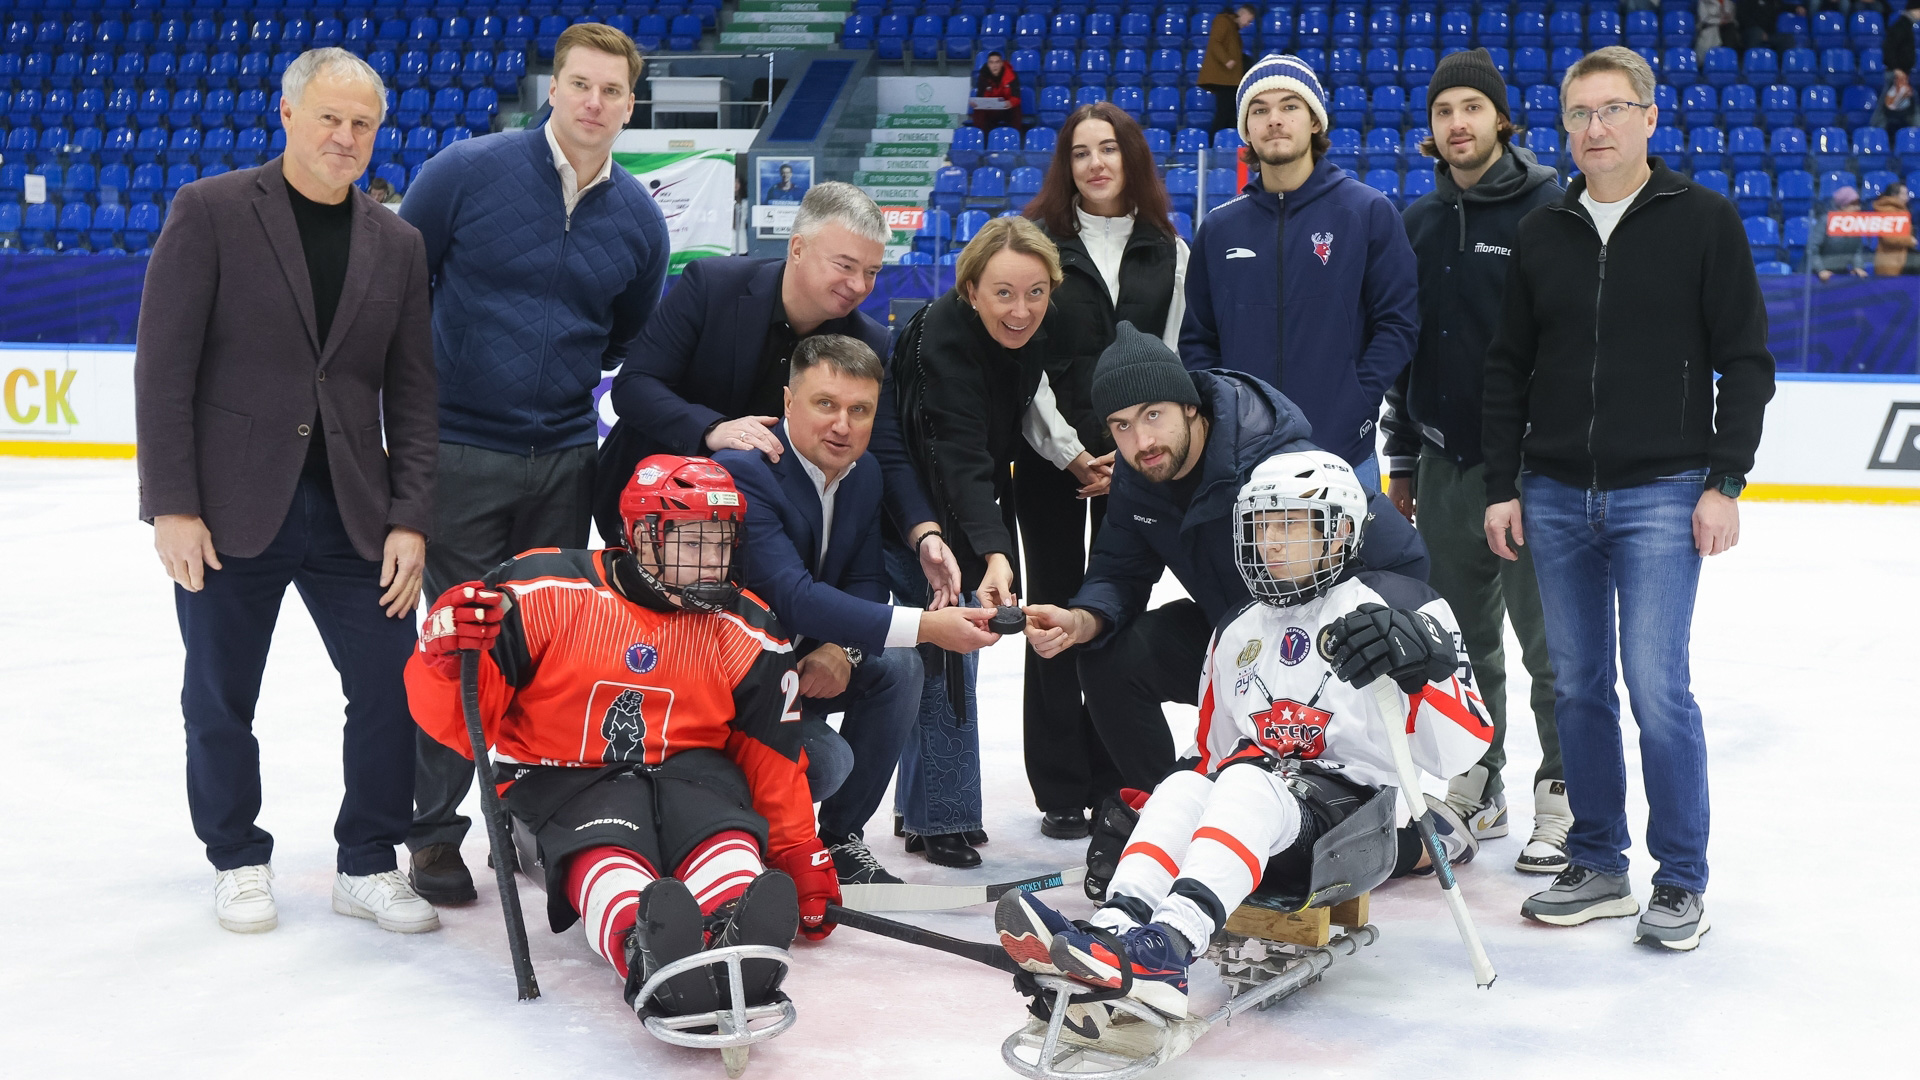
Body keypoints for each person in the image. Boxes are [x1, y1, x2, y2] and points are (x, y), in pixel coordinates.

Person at [997, 451, 1491, 1017]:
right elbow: (1210, 757)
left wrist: (1423, 671)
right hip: (1264, 819)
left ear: (1340, 533)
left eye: (1290, 525)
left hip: (1355, 824)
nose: (1271, 544)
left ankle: (1169, 948)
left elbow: (1460, 751)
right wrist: (1149, 819)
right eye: (1261, 526)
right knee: (1183, 790)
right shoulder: (1237, 627)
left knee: (1247, 783)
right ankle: (1111, 936)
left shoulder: (1402, 606)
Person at [134, 47, 440, 935]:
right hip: (230, 510)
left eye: (364, 124)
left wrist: (411, 517)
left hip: (357, 510)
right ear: (288, 114)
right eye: (331, 119)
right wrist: (174, 506)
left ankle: (369, 860)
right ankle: (235, 856)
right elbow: (164, 372)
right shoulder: (214, 211)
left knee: (392, 688)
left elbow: (415, 394)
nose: (347, 138)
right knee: (221, 694)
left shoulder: (398, 240)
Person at [1483, 47, 1775, 950]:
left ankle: (1680, 879)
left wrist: (1726, 480)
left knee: (1657, 688)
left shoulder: (1704, 221)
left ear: (1652, 118)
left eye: (1612, 110)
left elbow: (1746, 361)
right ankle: (1600, 864)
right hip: (1557, 491)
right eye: (1578, 114)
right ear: (1562, 126)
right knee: (1577, 688)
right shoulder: (1543, 229)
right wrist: (1504, 485)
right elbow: (1507, 369)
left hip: (1664, 491)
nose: (1595, 129)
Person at [403, 456, 839, 1021]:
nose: (709, 564)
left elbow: (771, 761)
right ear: (639, 537)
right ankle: (645, 950)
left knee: (723, 834)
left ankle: (736, 935)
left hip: (692, 775)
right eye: (689, 543)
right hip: (561, 780)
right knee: (608, 851)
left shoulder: (748, 628)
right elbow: (462, 728)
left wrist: (799, 853)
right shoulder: (539, 590)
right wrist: (444, 659)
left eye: (721, 544)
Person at [396, 22, 672, 906]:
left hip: (561, 457)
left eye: (613, 91)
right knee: (458, 642)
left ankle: (527, 815)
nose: (595, 103)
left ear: (631, 106)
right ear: (553, 89)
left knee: (549, 653)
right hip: (460, 449)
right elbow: (403, 292)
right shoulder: (465, 173)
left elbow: (624, 335)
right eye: (581, 85)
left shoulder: (638, 219)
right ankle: (436, 833)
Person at [1018, 325, 1429, 806]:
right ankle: (1162, 811)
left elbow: (1404, 561)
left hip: (1320, 657)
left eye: (1153, 415)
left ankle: (1335, 805)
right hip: (1237, 641)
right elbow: (1118, 571)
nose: (1141, 439)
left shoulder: (1282, 462)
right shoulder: (1138, 477)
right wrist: (1082, 620)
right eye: (1121, 425)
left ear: (1189, 405)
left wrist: (1365, 631)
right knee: (1109, 656)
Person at [714, 336, 1004, 885]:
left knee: (900, 668)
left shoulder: (864, 472)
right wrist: (924, 626)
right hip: (741, 684)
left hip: (802, 664)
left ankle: (840, 841)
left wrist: (840, 650)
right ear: (787, 402)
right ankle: (745, 834)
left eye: (860, 410)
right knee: (827, 765)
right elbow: (790, 595)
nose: (843, 425)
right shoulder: (744, 470)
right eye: (826, 404)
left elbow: (867, 579)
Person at [596, 182, 959, 612]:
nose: (859, 284)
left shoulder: (870, 340)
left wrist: (925, 533)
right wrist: (712, 429)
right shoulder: (712, 285)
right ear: (798, 249)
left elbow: (884, 448)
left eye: (873, 271)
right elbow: (635, 386)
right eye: (844, 265)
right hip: (657, 523)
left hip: (769, 541)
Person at [1384, 48, 1572, 874]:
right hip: (1445, 464)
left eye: (1471, 107)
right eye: (1442, 111)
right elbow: (1405, 353)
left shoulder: (1549, 206)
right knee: (1461, 646)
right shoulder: (1417, 224)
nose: (1456, 123)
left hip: (1532, 471)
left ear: (1502, 117)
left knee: (1552, 647)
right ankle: (1479, 782)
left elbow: (1569, 341)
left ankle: (1567, 794)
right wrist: (1401, 459)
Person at [888, 216, 1096, 867]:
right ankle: (940, 816)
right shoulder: (943, 338)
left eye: (1036, 292)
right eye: (1004, 293)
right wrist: (995, 551)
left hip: (963, 498)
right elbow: (957, 453)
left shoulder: (1032, 329)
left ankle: (922, 810)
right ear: (971, 290)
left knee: (939, 647)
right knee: (949, 643)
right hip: (917, 501)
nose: (1022, 308)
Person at [1016, 101, 1188, 839]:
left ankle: (1122, 778)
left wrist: (1136, 453)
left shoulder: (1169, 250)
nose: (1096, 163)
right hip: (1055, 455)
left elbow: (1175, 357)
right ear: (1066, 164)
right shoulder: (1039, 244)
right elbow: (1028, 360)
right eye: (1081, 151)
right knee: (1054, 609)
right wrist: (1070, 451)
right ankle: (1061, 785)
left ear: (1131, 158)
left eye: (1108, 149)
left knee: (1115, 607)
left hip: (1139, 462)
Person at [1182, 53, 1420, 492]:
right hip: (1243, 464)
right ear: (1247, 130)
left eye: (1290, 106)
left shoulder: (1368, 212)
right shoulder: (1218, 228)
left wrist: (1355, 404)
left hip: (1344, 456)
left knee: (1354, 566)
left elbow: (1398, 326)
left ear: (1315, 121)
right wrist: (1226, 417)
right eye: (1260, 110)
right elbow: (1198, 341)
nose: (1275, 119)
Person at [1198, 5, 1258, 135]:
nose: (1249, 24)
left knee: (1230, 116)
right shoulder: (1223, 21)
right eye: (1249, 20)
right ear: (1243, 14)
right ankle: (1214, 144)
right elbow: (1215, 42)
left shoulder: (1233, 30)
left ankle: (1228, 143)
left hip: (1230, 80)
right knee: (1224, 114)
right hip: (1224, 79)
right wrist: (1227, 61)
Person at [1876, 1, 1920, 134]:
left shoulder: (1905, 25)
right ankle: (1875, 130)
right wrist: (1896, 69)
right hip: (1897, 74)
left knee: (1904, 105)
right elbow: (1888, 48)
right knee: (1885, 107)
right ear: (1914, 10)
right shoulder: (1901, 25)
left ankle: (1876, 130)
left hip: (1902, 73)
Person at [1810, 185, 1872, 280]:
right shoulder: (1826, 221)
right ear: (1843, 206)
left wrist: (1858, 267)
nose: (1858, 208)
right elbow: (1812, 248)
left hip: (1839, 273)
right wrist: (1821, 270)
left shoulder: (1854, 224)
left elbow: (1856, 250)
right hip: (1815, 276)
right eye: (1853, 204)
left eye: (1858, 204)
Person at [1874, 182, 1917, 275]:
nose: (1908, 197)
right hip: (1890, 264)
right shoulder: (1887, 212)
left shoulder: (1900, 210)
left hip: (1901, 259)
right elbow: (1889, 238)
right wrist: (1910, 240)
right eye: (1904, 194)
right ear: (1894, 195)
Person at [973, 50, 1022, 131]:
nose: (994, 65)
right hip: (990, 109)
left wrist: (1010, 103)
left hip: (1007, 108)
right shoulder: (983, 77)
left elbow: (1017, 96)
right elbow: (980, 96)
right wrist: (977, 103)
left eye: (997, 62)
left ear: (1001, 63)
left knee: (1016, 109)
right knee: (978, 110)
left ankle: (1015, 136)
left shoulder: (1012, 75)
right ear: (988, 64)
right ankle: (980, 138)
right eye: (991, 62)